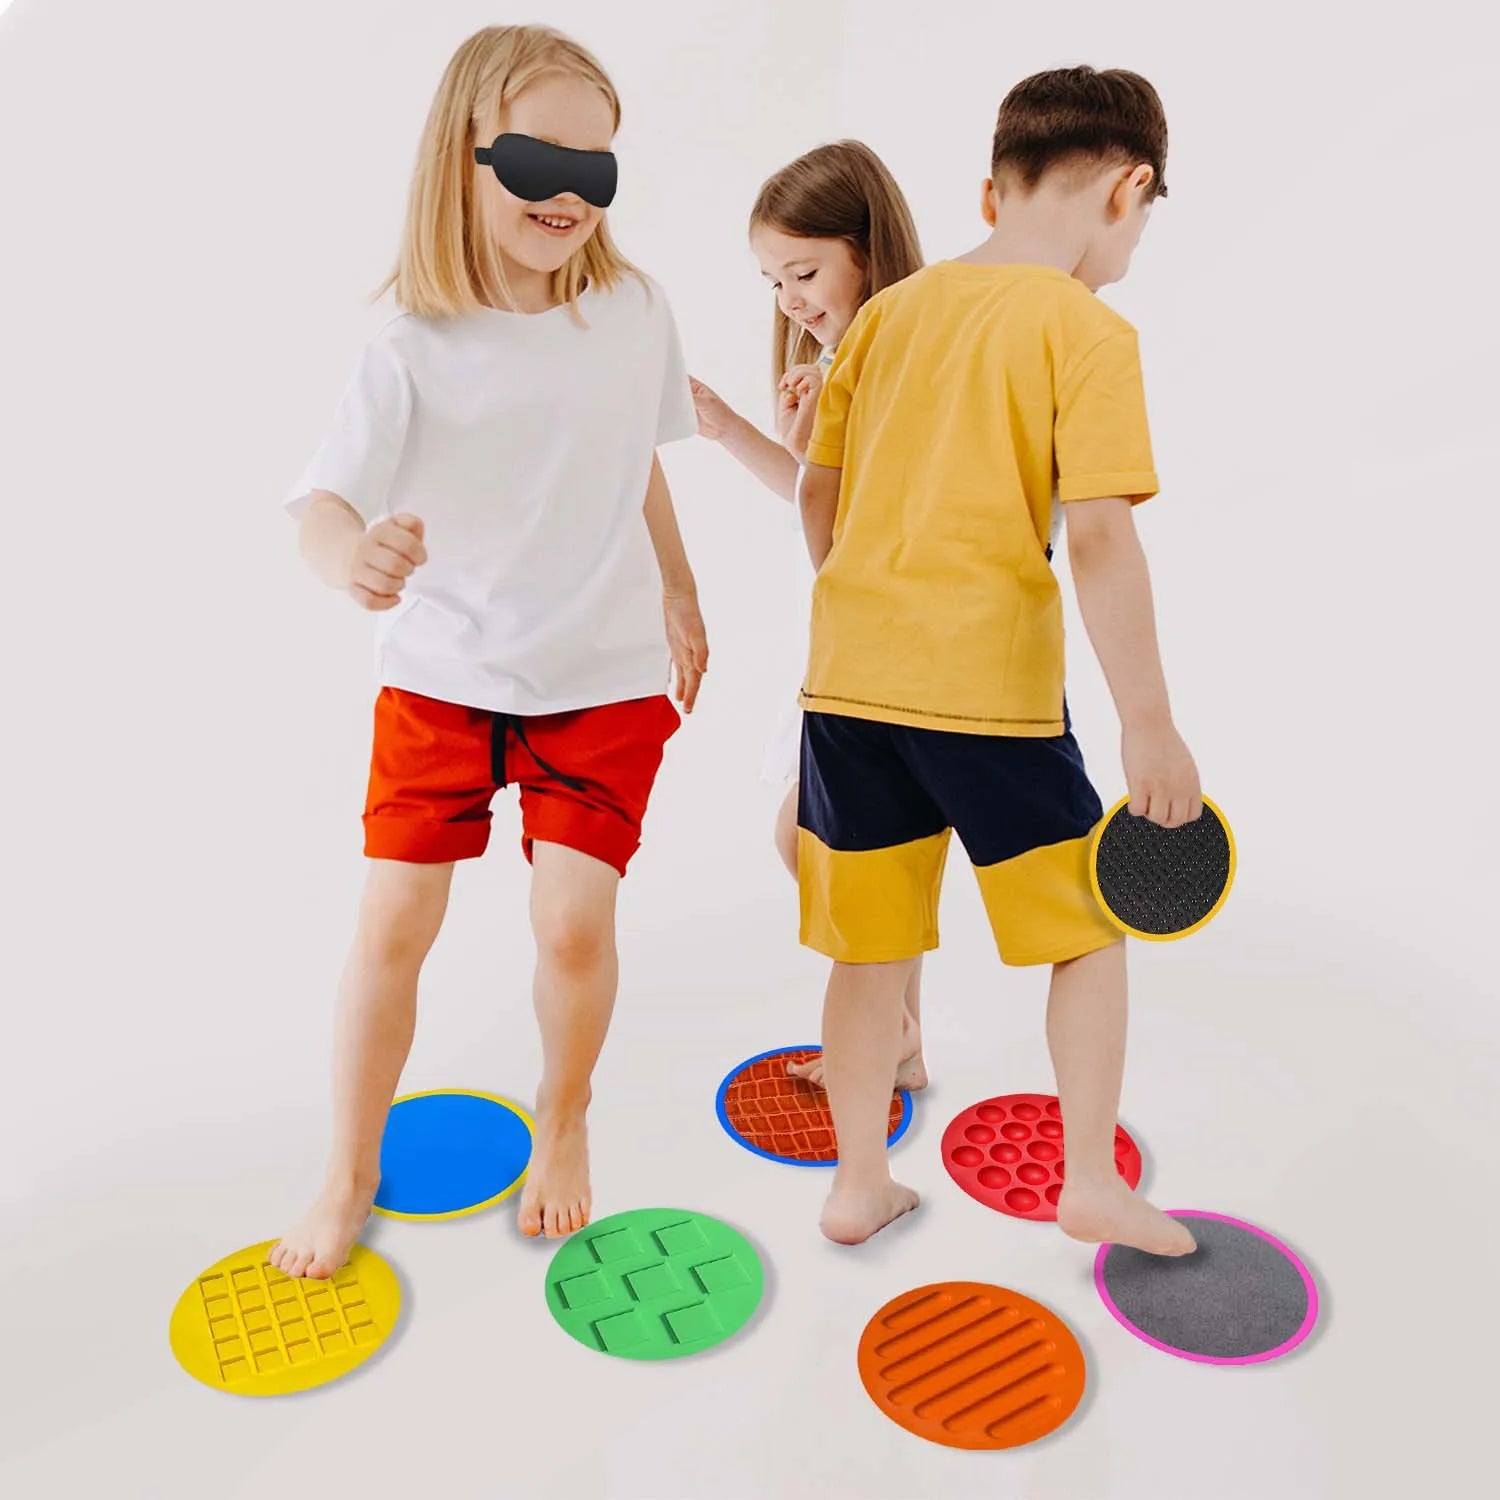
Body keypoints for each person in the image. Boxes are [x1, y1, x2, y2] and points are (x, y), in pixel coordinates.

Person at [271, 24, 706, 1276]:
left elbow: (638, 466)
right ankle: (348, 1165)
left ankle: (563, 1117)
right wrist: (347, 559)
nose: (569, 191)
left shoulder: (633, 310)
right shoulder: (411, 340)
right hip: (445, 677)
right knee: (394, 922)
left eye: (599, 167)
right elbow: (323, 504)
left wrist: (681, 591)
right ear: (461, 155)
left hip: (601, 671)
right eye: (532, 158)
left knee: (573, 923)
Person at [796, 67, 1204, 1253]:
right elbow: (1101, 534)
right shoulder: (1085, 330)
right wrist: (1149, 723)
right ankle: (1089, 1179)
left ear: (992, 187)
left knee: (869, 944)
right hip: (989, 694)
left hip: (848, 683)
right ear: (1129, 190)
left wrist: (867, 593)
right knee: (1085, 928)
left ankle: (857, 1185)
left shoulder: (887, 314)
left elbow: (821, 496)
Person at [690, 142, 927, 1090]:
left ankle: (892, 1033)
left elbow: (871, 528)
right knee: (846, 849)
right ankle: (900, 1039)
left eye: (804, 271)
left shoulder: (902, 363)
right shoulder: (841, 359)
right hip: (842, 642)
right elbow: (815, 511)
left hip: (887, 646)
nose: (788, 298)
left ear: (867, 251)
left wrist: (823, 445)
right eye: (772, 280)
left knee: (820, 841)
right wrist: (741, 431)